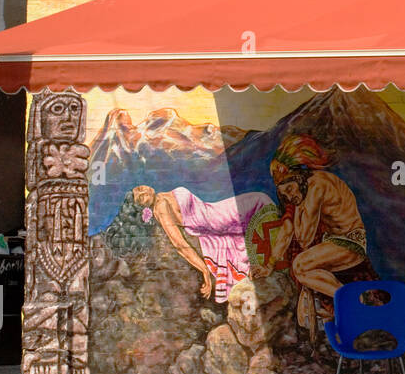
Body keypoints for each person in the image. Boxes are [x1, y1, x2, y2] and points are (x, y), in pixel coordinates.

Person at [254, 134, 382, 338]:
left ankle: (352, 302)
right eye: (284, 194)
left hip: (349, 243)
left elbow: (304, 237)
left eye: (290, 189)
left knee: (301, 266)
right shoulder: (305, 189)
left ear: (299, 177)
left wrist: (297, 206)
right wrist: (269, 264)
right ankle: (349, 302)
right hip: (333, 243)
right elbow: (287, 233)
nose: (289, 196)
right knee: (303, 271)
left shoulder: (317, 186)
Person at [131, 185, 275, 302]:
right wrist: (204, 271)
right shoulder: (161, 207)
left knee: (260, 200)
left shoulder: (162, 196)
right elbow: (179, 244)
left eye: (142, 189)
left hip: (214, 210)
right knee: (260, 201)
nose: (144, 192)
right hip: (216, 220)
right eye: (141, 197)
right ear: (143, 204)